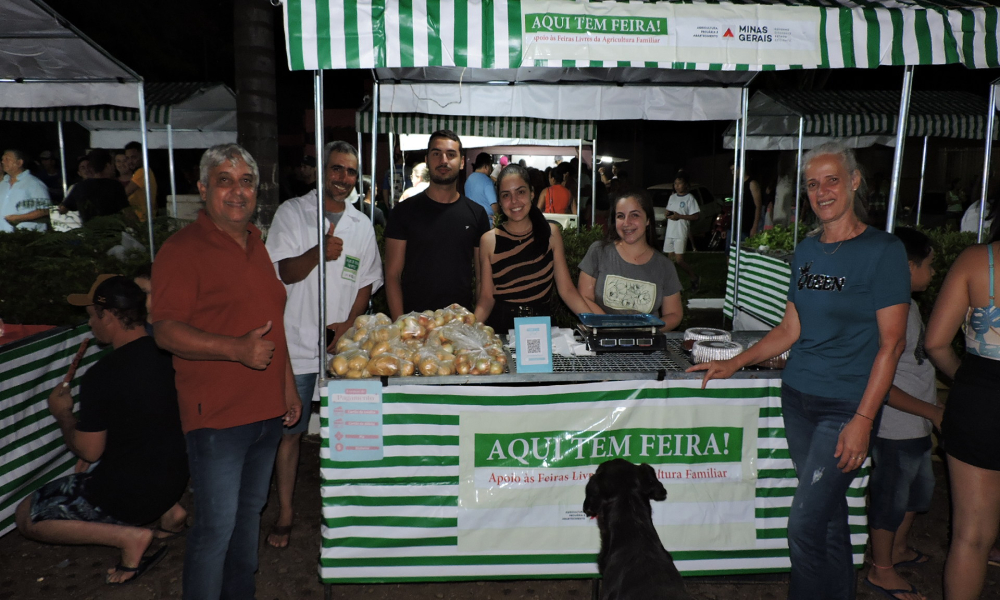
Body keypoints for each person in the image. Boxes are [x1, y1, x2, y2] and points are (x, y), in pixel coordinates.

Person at [690, 141, 910, 600]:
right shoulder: (807, 251)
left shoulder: (883, 251)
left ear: (854, 181)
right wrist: (734, 362)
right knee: (827, 521)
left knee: (804, 527)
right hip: (800, 399)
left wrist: (864, 420)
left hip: (847, 407)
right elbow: (790, 327)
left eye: (832, 179)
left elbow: (892, 344)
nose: (822, 191)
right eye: (812, 184)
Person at [151, 143, 301, 600]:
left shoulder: (257, 243)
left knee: (247, 517)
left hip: (265, 413)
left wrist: (289, 391)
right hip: (216, 417)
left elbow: (273, 327)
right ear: (202, 188)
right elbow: (165, 331)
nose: (238, 191)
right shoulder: (182, 250)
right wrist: (235, 349)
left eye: (247, 181)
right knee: (215, 527)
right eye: (225, 180)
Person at [15, 274, 188, 585]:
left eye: (91, 316)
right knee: (145, 444)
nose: (90, 324)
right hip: (174, 480)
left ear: (107, 315)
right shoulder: (171, 354)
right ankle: (171, 513)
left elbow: (88, 450)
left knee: (26, 515)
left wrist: (63, 415)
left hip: (128, 498)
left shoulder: (102, 375)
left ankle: (128, 539)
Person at [264, 140, 383, 549]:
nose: (343, 179)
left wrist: (349, 325)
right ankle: (285, 511)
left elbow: (367, 281)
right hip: (296, 344)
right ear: (321, 169)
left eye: (350, 172)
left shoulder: (362, 224)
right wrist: (318, 251)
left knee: (349, 430)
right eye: (336, 169)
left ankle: (353, 512)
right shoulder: (294, 213)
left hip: (342, 350)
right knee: (291, 432)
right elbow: (283, 270)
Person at [924, 206, 1000, 600]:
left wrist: (969, 378)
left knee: (972, 538)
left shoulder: (979, 260)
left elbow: (935, 342)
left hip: (981, 400)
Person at [865, 227, 941, 600]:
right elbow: (884, 385)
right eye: (930, 264)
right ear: (909, 267)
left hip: (917, 422)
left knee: (917, 490)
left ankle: (897, 549)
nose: (934, 271)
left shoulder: (908, 306)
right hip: (898, 424)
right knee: (890, 497)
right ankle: (881, 568)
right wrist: (933, 410)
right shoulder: (890, 311)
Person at [474, 164, 599, 332]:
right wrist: (470, 331)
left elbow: (567, 290)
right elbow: (486, 299)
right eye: (506, 195)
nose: (514, 201)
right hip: (502, 329)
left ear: (532, 193)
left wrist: (595, 325)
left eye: (521, 192)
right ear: (500, 201)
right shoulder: (489, 240)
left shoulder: (550, 233)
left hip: (541, 328)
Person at [384, 130, 491, 318]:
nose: (444, 160)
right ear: (427, 160)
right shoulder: (403, 212)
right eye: (436, 154)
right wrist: (400, 325)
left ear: (462, 161)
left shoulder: (477, 214)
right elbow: (392, 275)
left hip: (459, 327)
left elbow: (482, 278)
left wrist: (474, 324)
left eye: (451, 154)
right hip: (414, 327)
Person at [577, 191, 683, 331]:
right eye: (620, 216)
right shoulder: (598, 252)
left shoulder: (664, 265)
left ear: (648, 220)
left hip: (645, 348)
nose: (627, 223)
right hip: (604, 341)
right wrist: (610, 326)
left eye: (635, 215)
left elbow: (674, 314)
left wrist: (645, 332)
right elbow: (583, 297)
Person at [59, 149, 130, 223]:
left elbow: (62, 209)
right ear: (108, 165)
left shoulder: (79, 187)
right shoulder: (115, 186)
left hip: (90, 232)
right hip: (113, 232)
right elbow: (128, 213)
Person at [661, 170, 701, 292]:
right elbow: (668, 211)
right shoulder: (672, 197)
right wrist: (667, 214)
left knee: (679, 260)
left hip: (680, 232)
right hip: (670, 232)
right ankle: (671, 287)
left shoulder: (690, 198)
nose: (677, 186)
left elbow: (696, 216)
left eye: (680, 183)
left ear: (686, 185)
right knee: (669, 262)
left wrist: (680, 216)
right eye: (675, 183)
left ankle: (694, 278)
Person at [0, 149, 51, 232]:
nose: (3, 162)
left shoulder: (34, 183)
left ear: (19, 163)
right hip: (4, 237)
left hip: (27, 237)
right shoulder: (2, 185)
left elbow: (45, 210)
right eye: (2, 159)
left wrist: (19, 218)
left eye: (7, 159)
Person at [123, 141, 157, 222]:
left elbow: (124, 194)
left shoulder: (142, 172)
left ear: (143, 155)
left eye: (133, 157)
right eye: (127, 158)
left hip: (142, 221)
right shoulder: (143, 172)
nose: (130, 161)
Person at [730, 160, 763, 245]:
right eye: (731, 170)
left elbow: (758, 206)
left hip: (747, 225)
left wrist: (755, 226)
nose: (733, 173)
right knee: (729, 250)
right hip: (734, 225)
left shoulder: (752, 183)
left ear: (741, 169)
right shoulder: (736, 184)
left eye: (734, 169)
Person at [465, 152, 498, 217]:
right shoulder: (487, 181)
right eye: (490, 166)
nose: (492, 169)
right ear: (486, 166)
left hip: (472, 219)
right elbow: (494, 206)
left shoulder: (468, 180)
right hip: (487, 222)